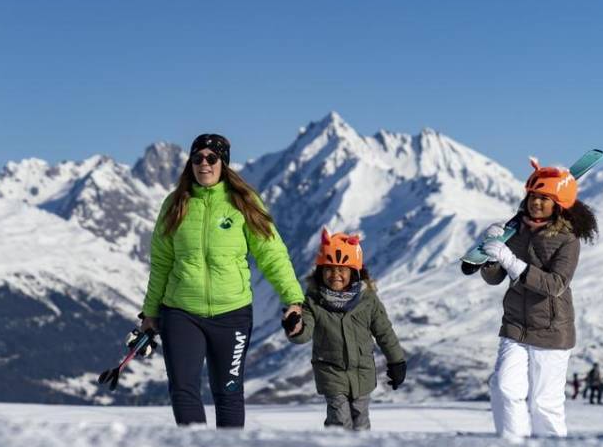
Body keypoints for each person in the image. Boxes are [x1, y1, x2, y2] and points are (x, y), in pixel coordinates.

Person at [139, 133, 304, 428]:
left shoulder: (243, 202)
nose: (204, 163)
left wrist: (293, 300)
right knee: (183, 390)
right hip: (181, 312)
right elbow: (161, 263)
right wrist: (150, 313)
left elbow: (272, 255)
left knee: (228, 392)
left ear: (223, 163)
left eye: (211, 158)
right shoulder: (175, 204)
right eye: (197, 158)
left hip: (233, 314)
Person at [479, 157, 598, 440]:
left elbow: (556, 285)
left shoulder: (568, 240)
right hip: (515, 325)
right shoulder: (515, 230)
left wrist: (511, 261)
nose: (536, 203)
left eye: (544, 198)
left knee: (544, 404)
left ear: (558, 204)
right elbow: (494, 278)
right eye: (533, 196)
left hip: (551, 330)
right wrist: (491, 255)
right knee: (504, 388)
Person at [285, 229, 406, 430]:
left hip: (362, 373)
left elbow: (384, 332)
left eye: (342, 269)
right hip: (331, 372)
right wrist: (295, 328)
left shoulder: (368, 300)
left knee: (360, 422)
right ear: (320, 271)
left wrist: (397, 361)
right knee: (340, 420)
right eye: (329, 269)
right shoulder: (313, 302)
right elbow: (304, 334)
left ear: (354, 272)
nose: (335, 275)